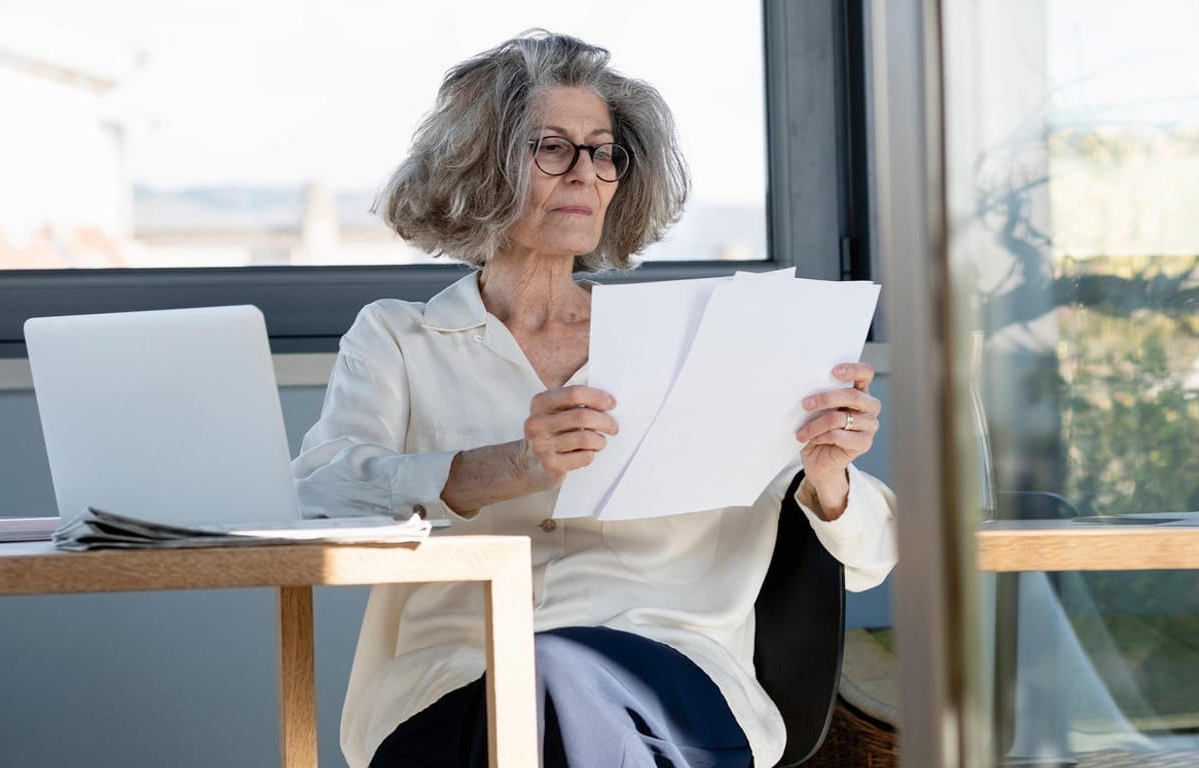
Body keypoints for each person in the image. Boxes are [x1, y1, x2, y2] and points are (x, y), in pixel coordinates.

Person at [293, 29, 897, 768]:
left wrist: (829, 472)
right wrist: (508, 466)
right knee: (533, 694)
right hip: (455, 682)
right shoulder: (398, 338)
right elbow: (323, 500)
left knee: (556, 683)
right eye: (552, 148)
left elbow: (869, 558)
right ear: (479, 167)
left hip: (669, 679)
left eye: (604, 152)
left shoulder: (693, 341)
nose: (585, 174)